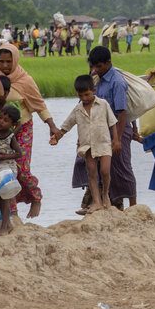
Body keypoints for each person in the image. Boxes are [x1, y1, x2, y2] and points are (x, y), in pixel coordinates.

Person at [0, 43, 59, 218]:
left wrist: (51, 126)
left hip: (22, 129)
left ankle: (36, 197)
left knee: (21, 168)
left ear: (15, 60)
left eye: (9, 61)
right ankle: (12, 213)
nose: (5, 66)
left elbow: (39, 105)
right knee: (5, 172)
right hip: (0, 132)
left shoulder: (25, 80)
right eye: (1, 61)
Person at [52, 74, 117, 212]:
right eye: (81, 96)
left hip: (104, 143)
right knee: (92, 173)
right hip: (87, 146)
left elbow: (112, 123)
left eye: (87, 94)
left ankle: (105, 194)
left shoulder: (103, 104)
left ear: (93, 90)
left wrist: (116, 140)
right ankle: (97, 202)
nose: (84, 98)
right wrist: (57, 137)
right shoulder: (78, 109)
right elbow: (66, 125)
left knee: (105, 171)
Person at [87, 46, 137, 207]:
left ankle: (134, 205)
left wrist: (118, 139)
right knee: (105, 169)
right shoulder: (98, 79)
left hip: (118, 129)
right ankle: (113, 203)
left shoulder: (117, 82)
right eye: (93, 66)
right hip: (102, 131)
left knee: (122, 167)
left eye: (99, 66)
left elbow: (122, 113)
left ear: (108, 63)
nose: (96, 69)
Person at [0, 105, 23, 236]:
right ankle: (6, 223)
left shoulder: (10, 137)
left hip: (8, 169)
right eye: (1, 118)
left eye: (6, 120)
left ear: (13, 124)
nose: (1, 121)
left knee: (4, 197)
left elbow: (19, 154)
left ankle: (4, 228)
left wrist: (2, 156)